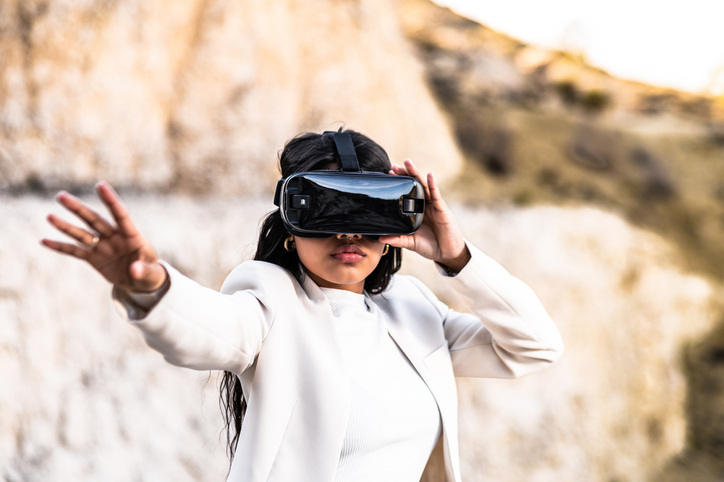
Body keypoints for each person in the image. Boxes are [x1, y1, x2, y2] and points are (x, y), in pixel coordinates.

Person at [41, 129, 564, 482]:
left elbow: (534, 346)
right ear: (290, 227)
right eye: (323, 208)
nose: (346, 231)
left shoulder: (413, 310)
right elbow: (205, 331)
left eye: (365, 209)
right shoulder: (269, 305)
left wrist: (457, 257)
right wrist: (150, 285)